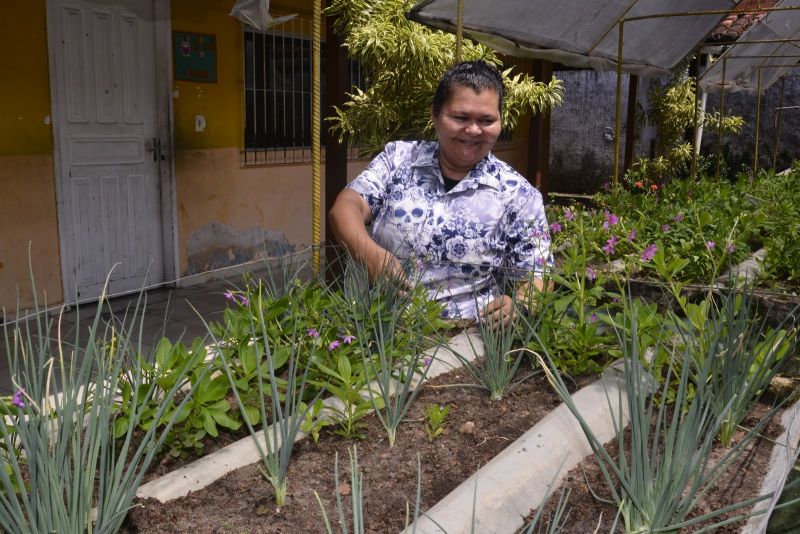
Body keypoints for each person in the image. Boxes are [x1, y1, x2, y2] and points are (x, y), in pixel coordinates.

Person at [328, 60, 552, 323]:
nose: (473, 130)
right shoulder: (398, 159)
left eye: (487, 120)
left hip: (464, 343)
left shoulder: (518, 195)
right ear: (434, 114)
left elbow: (539, 275)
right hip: (379, 331)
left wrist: (520, 305)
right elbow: (345, 207)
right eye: (460, 117)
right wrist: (368, 252)